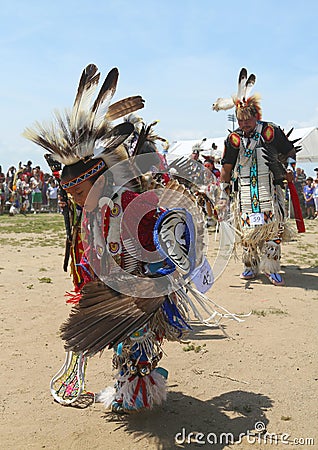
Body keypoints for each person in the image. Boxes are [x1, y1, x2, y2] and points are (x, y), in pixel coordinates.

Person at [24, 63, 231, 413]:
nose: (75, 198)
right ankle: (133, 387)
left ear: (98, 180)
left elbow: (165, 227)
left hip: (139, 292)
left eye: (78, 190)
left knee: (135, 344)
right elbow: (88, 252)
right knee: (124, 345)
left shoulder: (130, 204)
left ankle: (138, 393)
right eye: (71, 193)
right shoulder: (90, 212)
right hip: (113, 290)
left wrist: (169, 259)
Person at [212, 67, 297, 286]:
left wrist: (290, 167)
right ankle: (250, 265)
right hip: (245, 192)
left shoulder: (270, 131)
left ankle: (271, 267)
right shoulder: (234, 139)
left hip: (269, 188)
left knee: (272, 229)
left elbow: (289, 151)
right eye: (240, 121)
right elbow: (227, 167)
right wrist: (223, 191)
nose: (244, 124)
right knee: (247, 230)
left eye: (247, 120)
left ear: (255, 116)